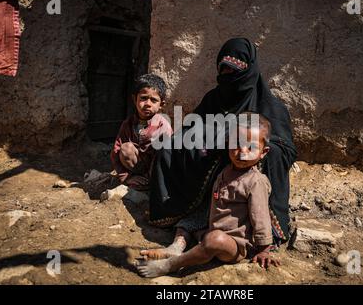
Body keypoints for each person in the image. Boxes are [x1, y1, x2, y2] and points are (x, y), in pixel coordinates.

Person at [142, 38, 296, 260]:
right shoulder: (214, 98)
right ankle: (178, 216)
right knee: (170, 146)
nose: (229, 78)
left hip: (244, 174)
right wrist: (215, 139)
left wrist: (248, 146)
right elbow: (190, 129)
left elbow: (285, 147)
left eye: (236, 71)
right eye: (224, 71)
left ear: (250, 70)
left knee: (264, 153)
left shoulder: (269, 105)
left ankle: (261, 235)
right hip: (208, 169)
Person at [137, 113, 280, 277]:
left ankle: (171, 264)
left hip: (234, 245)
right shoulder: (225, 171)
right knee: (187, 223)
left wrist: (264, 250)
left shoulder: (256, 181)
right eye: (236, 144)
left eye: (251, 147)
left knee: (214, 240)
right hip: (212, 230)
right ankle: (175, 248)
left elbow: (260, 217)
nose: (242, 151)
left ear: (263, 152)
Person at [110, 74, 173, 191]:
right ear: (135, 99)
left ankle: (151, 183)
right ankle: (137, 180)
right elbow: (116, 151)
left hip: (155, 168)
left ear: (161, 105)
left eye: (154, 100)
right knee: (125, 148)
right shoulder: (128, 124)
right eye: (143, 98)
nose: (148, 103)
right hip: (136, 166)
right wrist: (126, 177)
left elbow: (165, 157)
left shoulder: (163, 126)